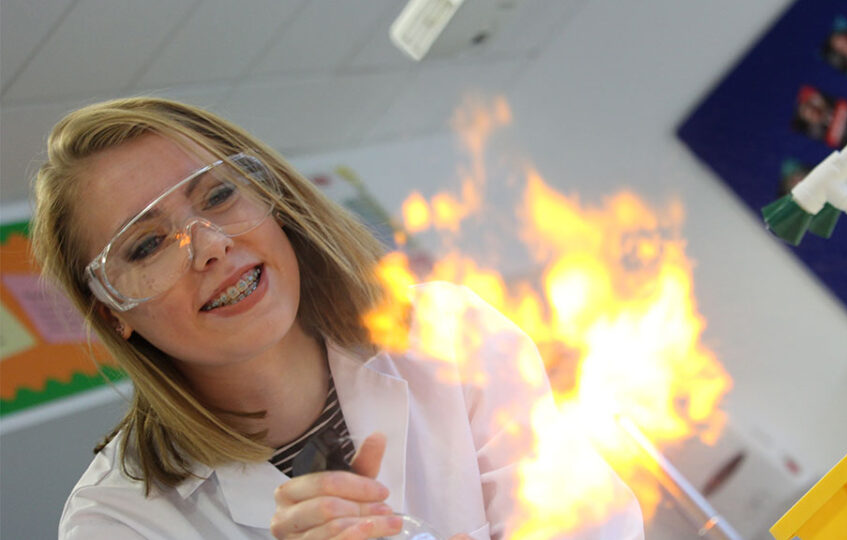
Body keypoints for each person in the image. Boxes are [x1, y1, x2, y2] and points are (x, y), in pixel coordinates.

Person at [32, 97, 645, 539]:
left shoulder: (445, 332)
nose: (211, 244)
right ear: (115, 314)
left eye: (218, 195)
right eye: (148, 246)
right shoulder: (116, 521)